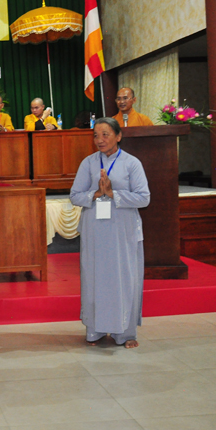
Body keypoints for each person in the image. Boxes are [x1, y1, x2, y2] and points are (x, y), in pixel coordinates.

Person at [70, 117, 150, 349]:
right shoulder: (88, 163)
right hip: (95, 229)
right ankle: (94, 330)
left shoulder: (132, 163)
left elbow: (144, 198)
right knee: (94, 276)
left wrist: (114, 194)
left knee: (124, 277)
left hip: (123, 230)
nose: (100, 140)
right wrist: (97, 193)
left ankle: (125, 333)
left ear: (118, 136)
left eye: (105, 134)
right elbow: (75, 195)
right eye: (96, 135)